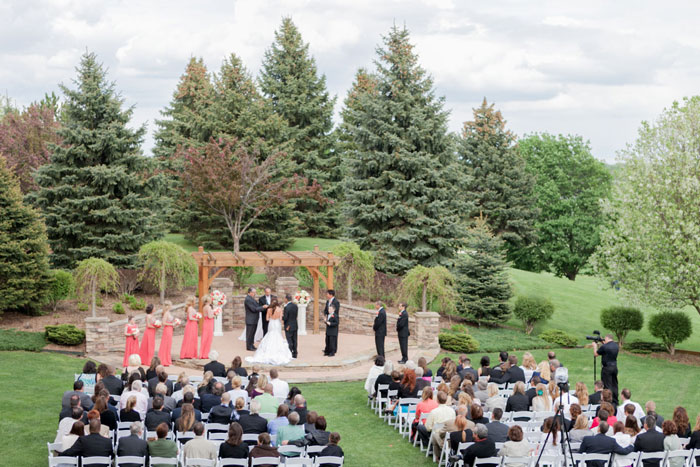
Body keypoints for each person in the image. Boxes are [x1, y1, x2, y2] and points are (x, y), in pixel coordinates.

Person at [245, 299, 293, 365]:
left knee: (270, 334)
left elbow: (267, 319)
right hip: (277, 323)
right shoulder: (279, 309)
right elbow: (280, 319)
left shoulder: (269, 309)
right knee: (277, 335)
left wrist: (271, 318)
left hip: (271, 323)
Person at [593, 334, 620, 405]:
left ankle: (608, 402)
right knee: (614, 384)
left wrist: (595, 346)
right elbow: (607, 348)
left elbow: (596, 354)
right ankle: (615, 401)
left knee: (607, 385)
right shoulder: (616, 346)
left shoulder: (604, 347)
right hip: (614, 367)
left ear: (606, 338)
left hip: (607, 368)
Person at [323, 290, 339, 357]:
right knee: (327, 338)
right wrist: (325, 315)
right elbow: (326, 309)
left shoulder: (336, 302)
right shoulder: (327, 301)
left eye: (327, 294)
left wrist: (332, 318)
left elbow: (336, 311)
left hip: (333, 320)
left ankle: (333, 350)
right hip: (328, 319)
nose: (327, 295)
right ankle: (327, 349)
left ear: (331, 295)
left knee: (333, 338)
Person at [282, 294, 298, 358]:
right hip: (295, 324)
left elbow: (285, 318)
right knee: (295, 340)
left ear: (286, 299)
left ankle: (290, 352)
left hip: (288, 325)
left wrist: (281, 317)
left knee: (289, 340)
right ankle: (295, 353)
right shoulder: (295, 306)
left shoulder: (286, 307)